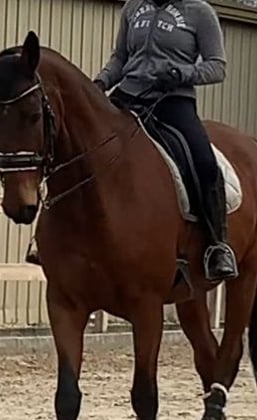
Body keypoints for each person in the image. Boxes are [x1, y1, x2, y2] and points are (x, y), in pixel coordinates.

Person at [93, 0, 238, 282]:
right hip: (128, 95)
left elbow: (216, 67)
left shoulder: (200, 12)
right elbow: (120, 58)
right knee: (85, 146)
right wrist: (100, 83)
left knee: (204, 163)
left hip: (173, 98)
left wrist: (183, 73)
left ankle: (217, 245)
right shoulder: (133, 8)